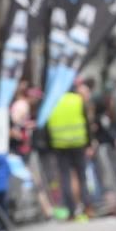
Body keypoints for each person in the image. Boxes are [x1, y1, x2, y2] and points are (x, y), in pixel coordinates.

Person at [46, 86, 91, 221]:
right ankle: (88, 207)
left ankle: (71, 211)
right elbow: (86, 122)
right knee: (82, 177)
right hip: (78, 143)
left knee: (65, 178)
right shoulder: (77, 100)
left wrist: (50, 145)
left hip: (59, 145)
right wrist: (89, 143)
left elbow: (48, 125)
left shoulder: (52, 101)